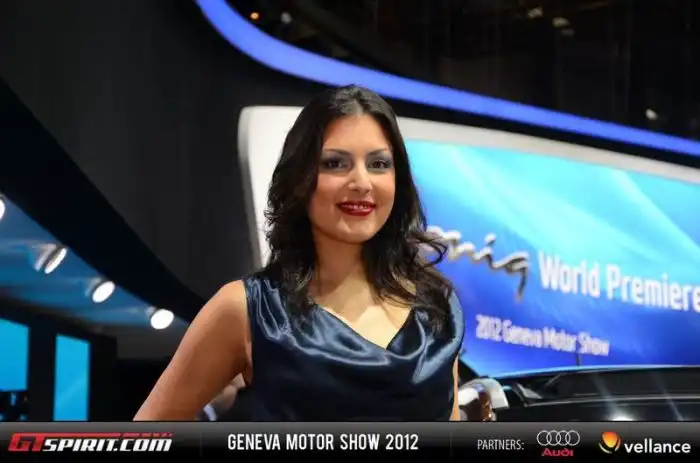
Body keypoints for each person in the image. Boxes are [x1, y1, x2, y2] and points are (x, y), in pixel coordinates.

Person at [134, 85, 464, 421]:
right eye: (335, 163)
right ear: (300, 177)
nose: (362, 182)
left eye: (379, 164)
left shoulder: (436, 307)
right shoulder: (247, 310)